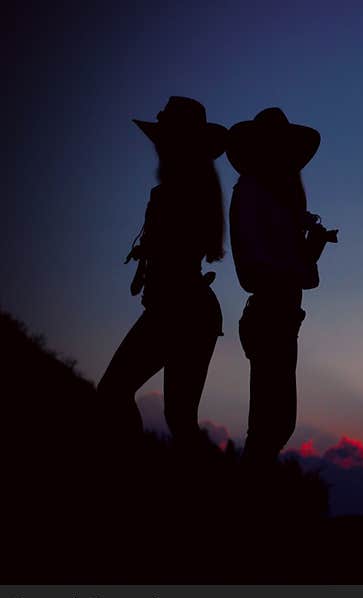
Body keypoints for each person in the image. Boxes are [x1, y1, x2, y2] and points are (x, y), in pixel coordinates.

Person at [97, 96, 226, 453]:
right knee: (180, 418)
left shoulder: (179, 191)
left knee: (114, 390)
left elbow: (173, 253)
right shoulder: (194, 189)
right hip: (191, 309)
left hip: (177, 308)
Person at [226, 107, 337, 467]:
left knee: (275, 425)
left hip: (280, 313)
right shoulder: (254, 193)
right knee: (270, 426)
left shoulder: (267, 198)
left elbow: (290, 269)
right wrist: (308, 251)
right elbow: (266, 268)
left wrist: (308, 248)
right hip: (273, 312)